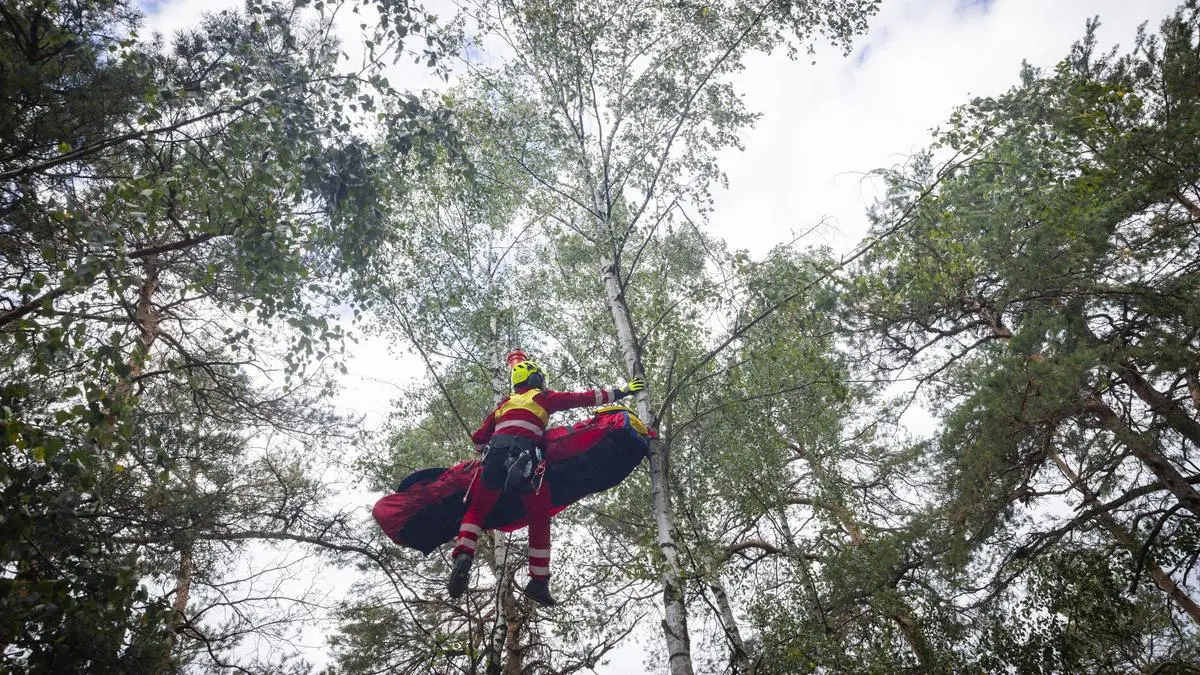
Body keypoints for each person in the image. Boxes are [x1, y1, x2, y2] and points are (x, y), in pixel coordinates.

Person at [447, 351, 645, 606]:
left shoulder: (503, 406)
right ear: (535, 377)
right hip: (527, 462)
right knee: (539, 519)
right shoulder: (543, 397)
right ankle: (538, 581)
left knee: (476, 510)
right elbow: (584, 398)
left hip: (494, 461)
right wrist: (623, 391)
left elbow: (477, 440)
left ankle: (464, 554)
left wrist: (489, 447)